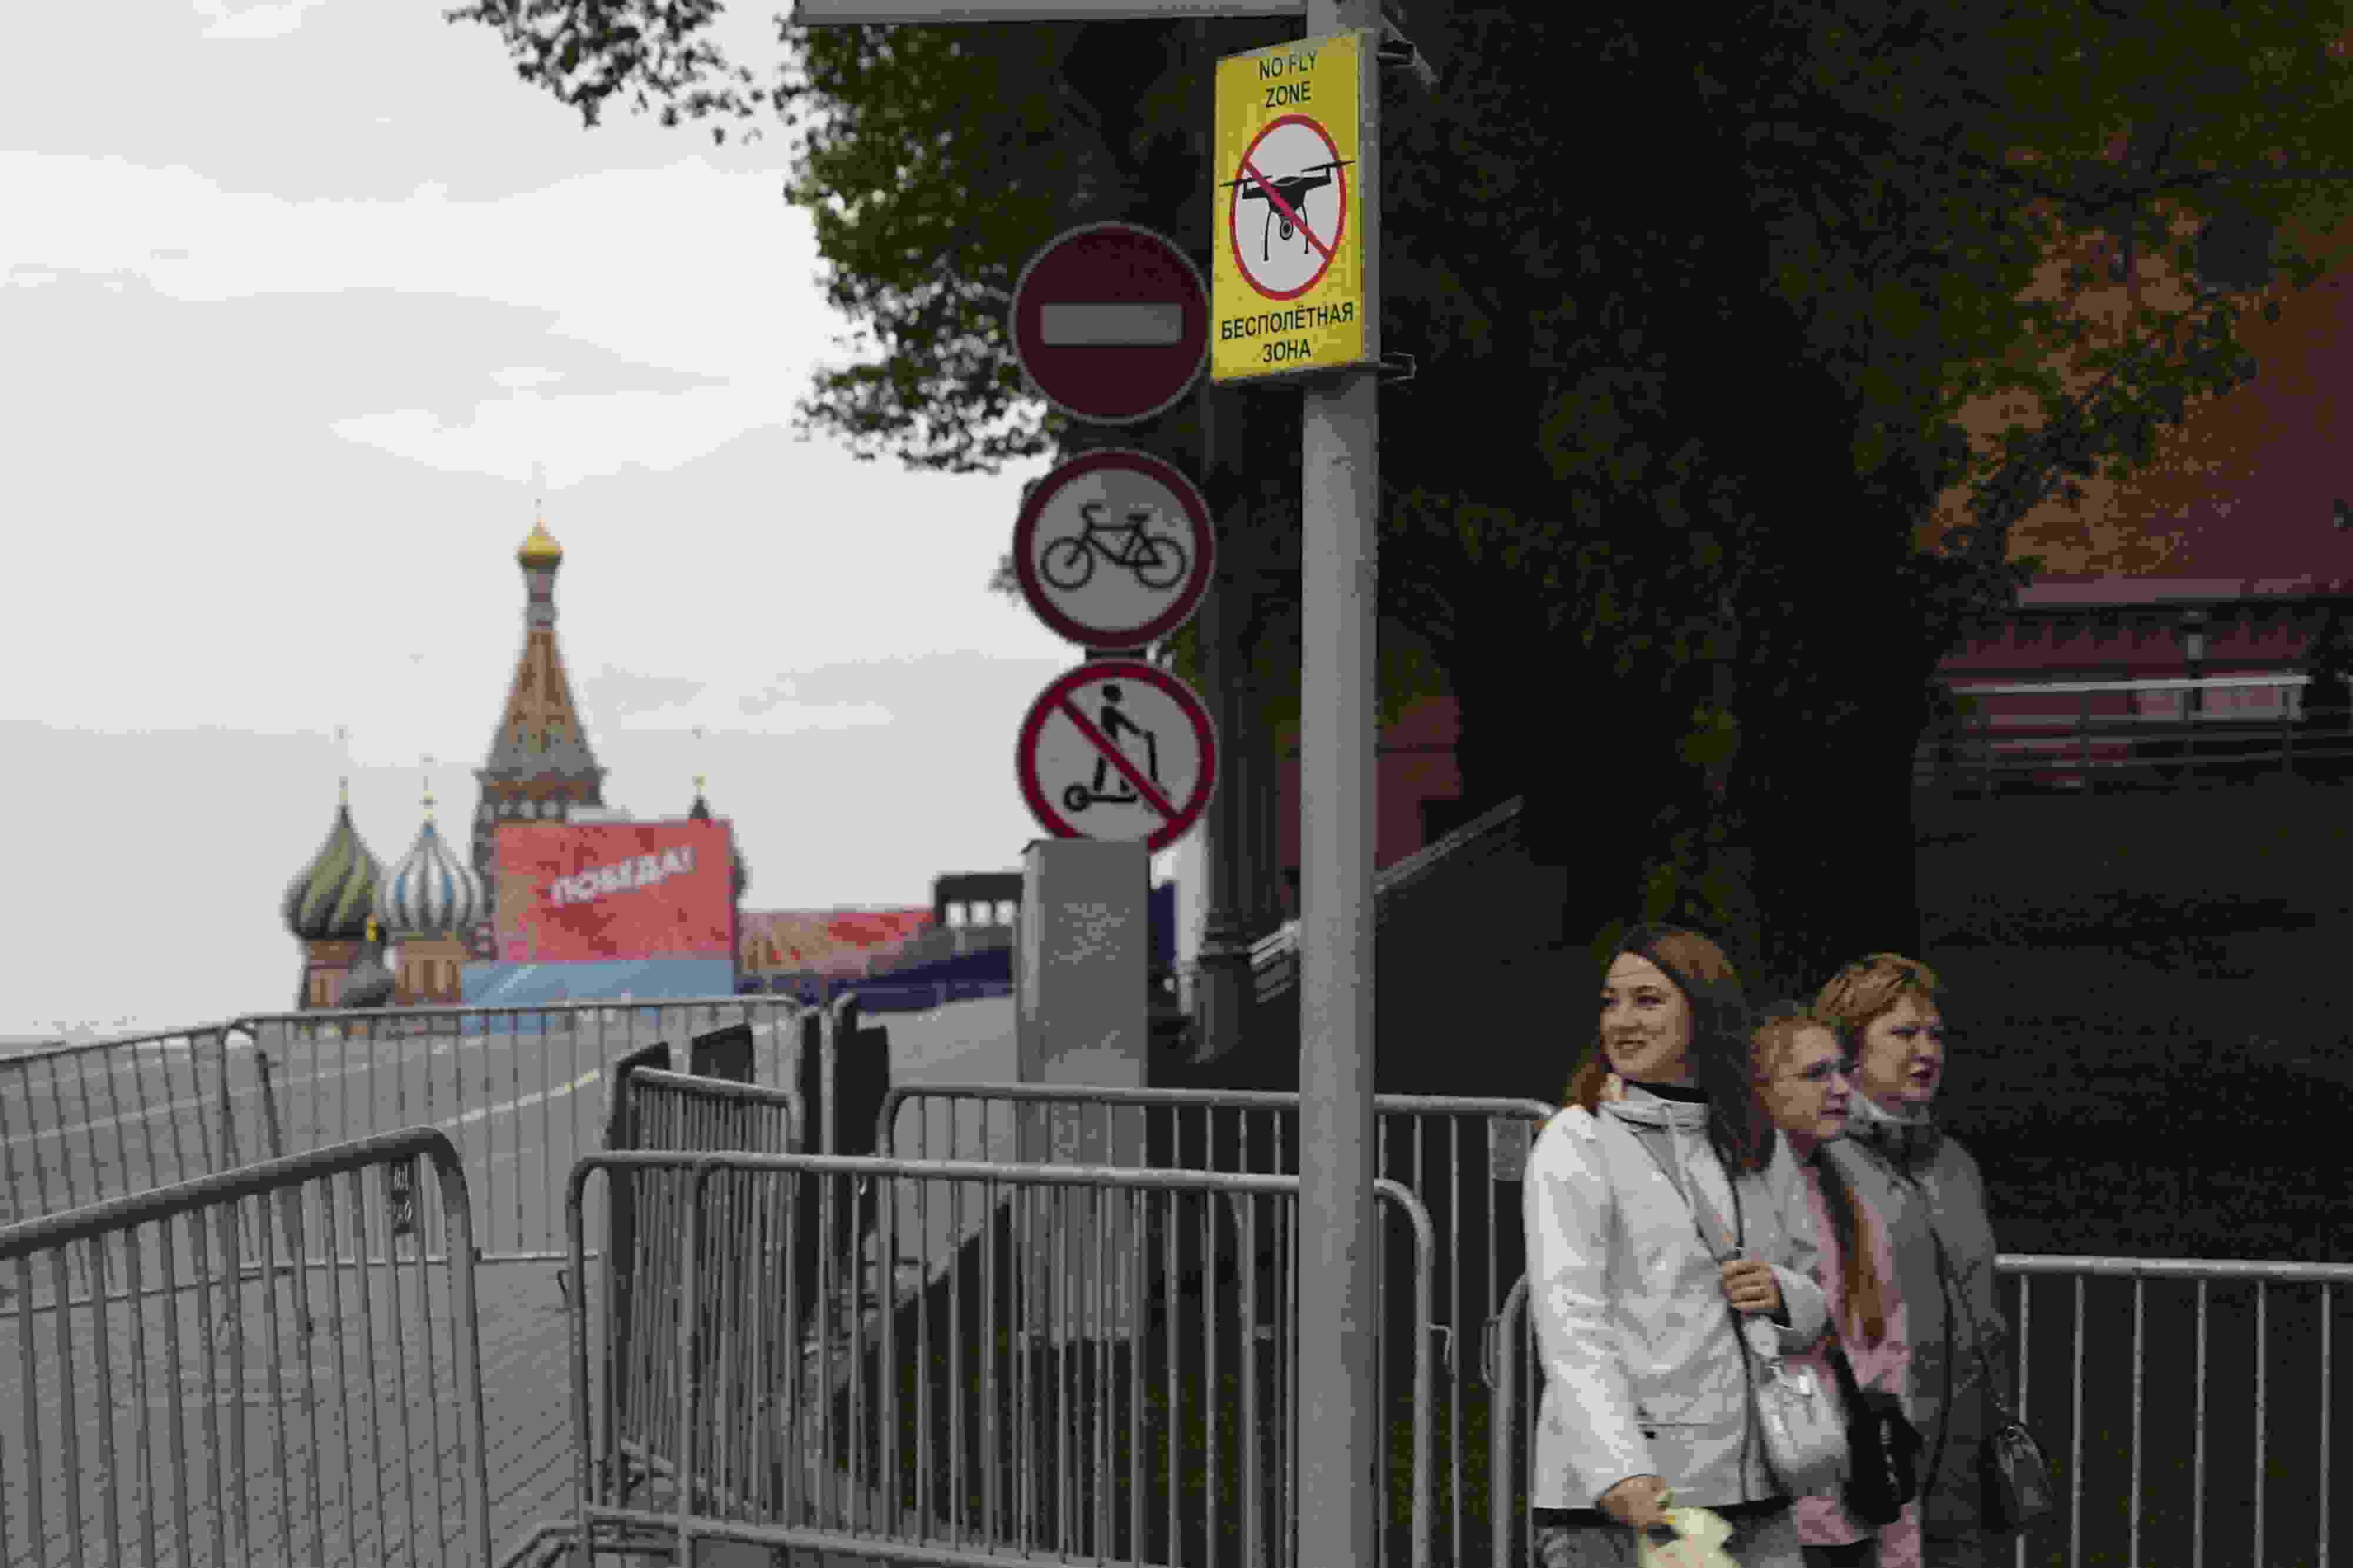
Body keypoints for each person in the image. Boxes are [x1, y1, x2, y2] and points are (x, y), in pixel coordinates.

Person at [1524, 925, 1829, 1568]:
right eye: (1610, 1002)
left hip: (1759, 1488)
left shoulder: (1753, 1138)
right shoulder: (1577, 1139)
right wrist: (1619, 1468)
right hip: (1630, 1502)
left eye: (1647, 1000)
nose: (1622, 1020)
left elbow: (1812, 1297)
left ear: (1703, 1012)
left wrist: (1782, 1294)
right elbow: (1570, 1321)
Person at [1814, 955, 2012, 1568]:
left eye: (1935, 1035)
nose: (1927, 1051)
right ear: (1849, 1049)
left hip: (1961, 1476)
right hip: (1867, 1470)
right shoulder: (1818, 1159)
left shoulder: (1956, 1165)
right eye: (1903, 1033)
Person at [1749, 1002, 1921, 1568]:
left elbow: (1887, 1350)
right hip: (1774, 1492)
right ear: (1763, 1089)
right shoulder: (1741, 1194)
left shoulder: (1850, 1196)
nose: (1842, 1088)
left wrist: (1898, 1529)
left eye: (1843, 1071)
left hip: (1849, 1492)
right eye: (1816, 1074)